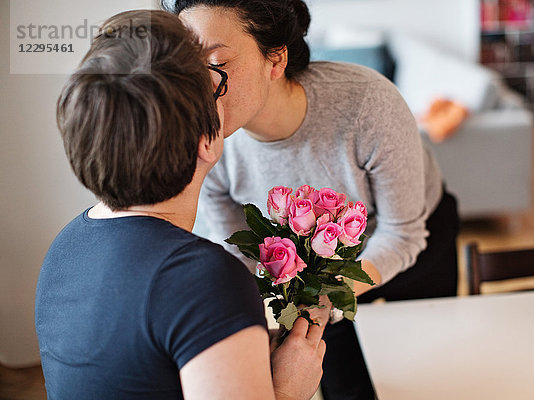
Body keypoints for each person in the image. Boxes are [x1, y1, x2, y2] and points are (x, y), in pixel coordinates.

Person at [163, 1, 459, 399]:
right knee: (345, 387)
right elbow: (236, 250)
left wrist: (328, 296)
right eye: (188, 62)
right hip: (312, 277)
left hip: (413, 243)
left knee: (425, 376)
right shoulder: (208, 143)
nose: (199, 84)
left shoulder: (368, 105)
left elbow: (403, 234)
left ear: (276, 59)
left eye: (217, 62)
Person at [35, 10, 327, 400]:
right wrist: (290, 390)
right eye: (213, 78)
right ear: (206, 141)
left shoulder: (65, 247)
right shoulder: (205, 280)